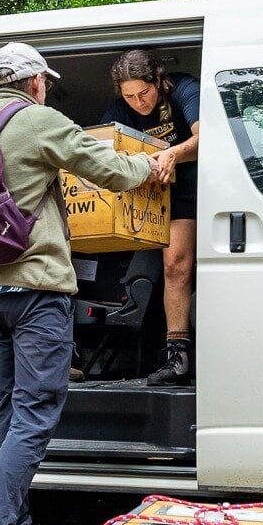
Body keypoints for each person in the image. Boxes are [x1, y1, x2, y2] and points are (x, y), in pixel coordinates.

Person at [0, 42, 157, 525]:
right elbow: (109, 170)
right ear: (36, 82)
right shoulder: (37, 120)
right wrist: (150, 164)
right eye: (46, 81)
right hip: (38, 292)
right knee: (35, 416)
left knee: (12, 412)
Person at [103, 48, 200, 386]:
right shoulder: (120, 110)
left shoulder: (186, 90)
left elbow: (208, 138)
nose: (138, 102)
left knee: (176, 264)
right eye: (129, 96)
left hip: (188, 191)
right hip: (146, 197)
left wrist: (173, 151)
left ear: (158, 80)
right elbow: (101, 150)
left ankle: (179, 355)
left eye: (144, 92)